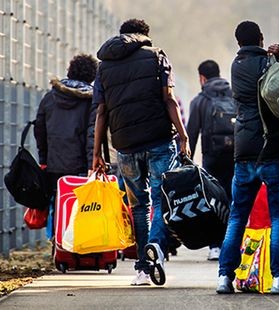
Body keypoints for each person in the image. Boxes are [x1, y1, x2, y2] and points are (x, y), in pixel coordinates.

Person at [216, 20, 279, 294]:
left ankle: (225, 278)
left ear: (238, 42)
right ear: (261, 38)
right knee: (278, 218)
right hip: (272, 150)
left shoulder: (235, 67)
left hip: (244, 152)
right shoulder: (272, 65)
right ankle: (278, 279)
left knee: (237, 216)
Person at [91, 19, 190, 286]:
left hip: (124, 146)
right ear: (143, 37)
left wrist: (96, 155)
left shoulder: (104, 67)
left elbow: (101, 112)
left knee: (138, 206)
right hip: (158, 140)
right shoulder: (156, 56)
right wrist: (183, 135)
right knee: (160, 199)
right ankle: (156, 247)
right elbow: (169, 98)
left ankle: (143, 269)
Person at [34, 54, 99, 214]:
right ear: (92, 76)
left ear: (70, 71)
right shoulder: (91, 100)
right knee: (81, 208)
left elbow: (39, 130)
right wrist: (93, 164)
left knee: (58, 204)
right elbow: (92, 134)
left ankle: (57, 236)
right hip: (81, 165)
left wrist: (44, 159)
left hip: (54, 164)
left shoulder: (50, 97)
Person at [187, 60, 235, 261]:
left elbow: (191, 134)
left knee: (213, 201)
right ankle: (233, 243)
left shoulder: (200, 100)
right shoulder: (235, 95)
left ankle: (215, 246)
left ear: (202, 78)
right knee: (234, 200)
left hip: (212, 158)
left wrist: (187, 160)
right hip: (235, 155)